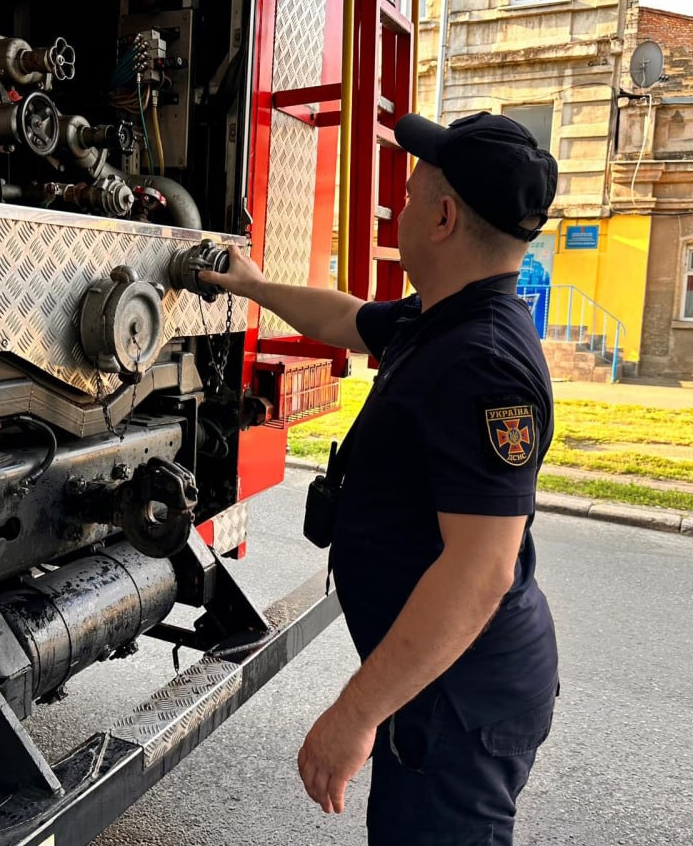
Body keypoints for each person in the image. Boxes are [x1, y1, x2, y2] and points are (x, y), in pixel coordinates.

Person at [198, 112, 560, 845]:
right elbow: (347, 319)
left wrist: (355, 713)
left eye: (411, 192)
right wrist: (256, 288)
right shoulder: (445, 316)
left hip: (457, 702)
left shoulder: (483, 362)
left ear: (444, 218)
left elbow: (480, 570)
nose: (397, 205)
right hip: (438, 682)